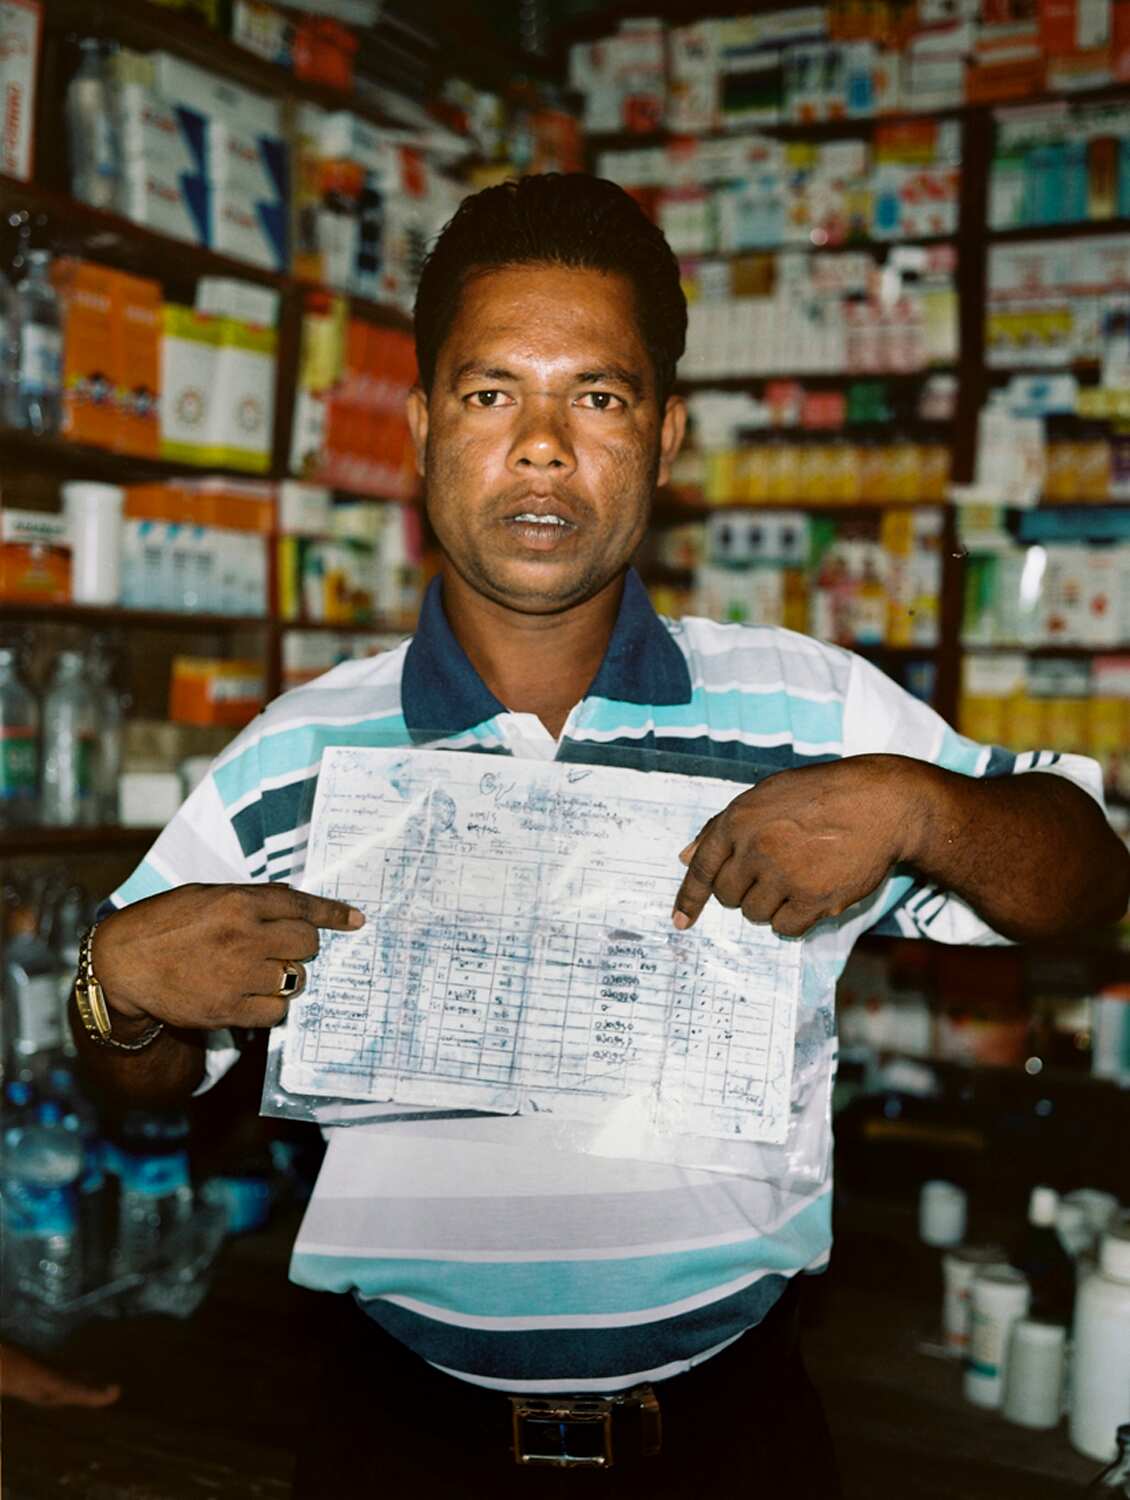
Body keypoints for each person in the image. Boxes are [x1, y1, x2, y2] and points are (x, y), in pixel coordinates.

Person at [71, 175, 1128, 1497]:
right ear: (420, 429)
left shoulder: (812, 709)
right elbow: (146, 1076)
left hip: (727, 1443)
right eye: (490, 393)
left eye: (599, 398)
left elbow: (1087, 882)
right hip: (395, 1444)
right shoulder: (299, 749)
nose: (541, 448)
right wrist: (116, 985)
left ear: (665, 438)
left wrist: (924, 806)